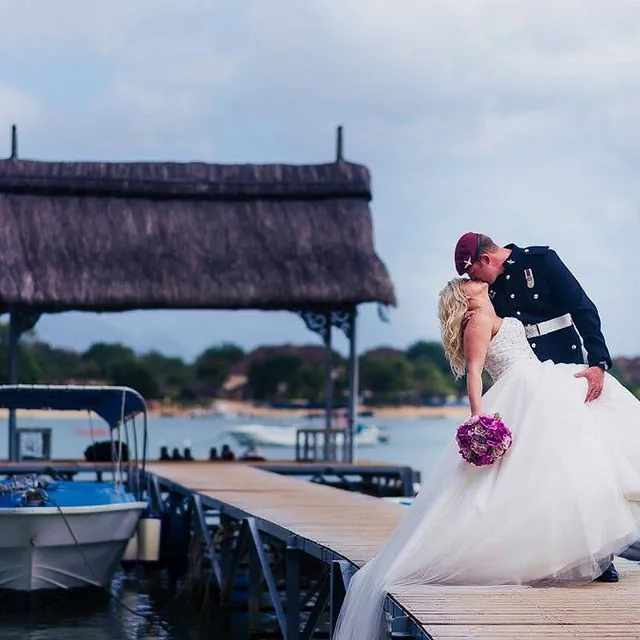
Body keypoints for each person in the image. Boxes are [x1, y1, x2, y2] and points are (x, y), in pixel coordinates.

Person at [332, 277, 640, 640]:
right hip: (521, 391)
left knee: (561, 461)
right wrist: (480, 418)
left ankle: (573, 545)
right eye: (468, 281)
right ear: (465, 296)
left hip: (539, 383)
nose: (475, 280)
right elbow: (475, 372)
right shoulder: (477, 320)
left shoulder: (496, 310)